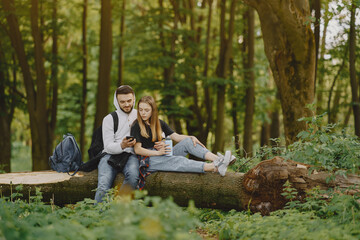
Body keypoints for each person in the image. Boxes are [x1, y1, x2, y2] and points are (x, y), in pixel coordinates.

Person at [130, 96, 235, 185]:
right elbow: (137, 150)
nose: (143, 113)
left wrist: (191, 137)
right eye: (140, 110)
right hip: (148, 161)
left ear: (153, 110)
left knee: (188, 142)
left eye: (146, 110)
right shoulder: (136, 125)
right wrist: (157, 153)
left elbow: (176, 136)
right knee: (178, 161)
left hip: (162, 155)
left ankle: (218, 160)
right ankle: (213, 167)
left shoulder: (159, 123)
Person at [94, 85, 139, 203]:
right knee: (103, 185)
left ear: (134, 98)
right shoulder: (109, 119)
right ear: (117, 101)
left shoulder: (140, 114)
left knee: (133, 178)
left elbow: (158, 128)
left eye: (129, 101)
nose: (127, 104)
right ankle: (97, 218)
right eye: (122, 102)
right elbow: (108, 146)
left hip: (131, 155)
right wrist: (122, 145)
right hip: (109, 155)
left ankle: (118, 211)